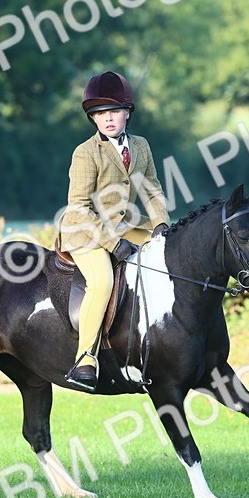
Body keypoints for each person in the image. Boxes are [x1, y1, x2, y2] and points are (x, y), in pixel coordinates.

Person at [59, 71, 170, 390]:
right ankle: (85, 358)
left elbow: (151, 190)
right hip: (86, 230)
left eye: (114, 111)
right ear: (93, 118)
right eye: (100, 113)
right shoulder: (85, 152)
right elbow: (78, 207)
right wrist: (112, 243)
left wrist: (161, 223)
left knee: (169, 254)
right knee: (102, 281)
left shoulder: (141, 146)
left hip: (124, 226)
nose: (107, 118)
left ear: (127, 113)